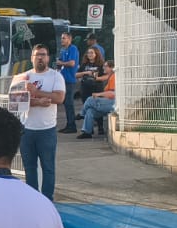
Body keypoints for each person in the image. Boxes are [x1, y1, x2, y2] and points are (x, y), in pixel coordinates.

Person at [12, 44, 67, 198]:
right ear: (32, 58)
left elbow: (59, 98)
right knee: (29, 168)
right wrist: (38, 102)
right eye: (37, 55)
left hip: (47, 130)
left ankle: (47, 200)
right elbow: (15, 101)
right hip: (27, 130)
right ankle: (32, 199)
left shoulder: (56, 76)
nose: (40, 58)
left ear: (48, 58)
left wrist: (36, 92)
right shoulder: (22, 77)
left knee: (48, 167)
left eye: (43, 54)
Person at [76, 60, 116, 139]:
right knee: (90, 110)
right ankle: (87, 132)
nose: (103, 67)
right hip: (107, 102)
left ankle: (81, 114)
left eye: (105, 66)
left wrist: (98, 95)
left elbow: (112, 94)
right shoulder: (110, 76)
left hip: (113, 103)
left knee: (90, 99)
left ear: (111, 68)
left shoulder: (114, 77)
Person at [55, 28, 79, 133]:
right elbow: (60, 62)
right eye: (61, 38)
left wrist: (61, 63)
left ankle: (72, 125)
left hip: (70, 79)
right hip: (62, 79)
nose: (62, 40)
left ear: (69, 39)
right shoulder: (63, 50)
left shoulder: (73, 49)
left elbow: (72, 63)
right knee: (65, 103)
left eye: (64, 38)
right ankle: (68, 124)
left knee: (69, 103)